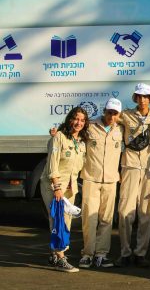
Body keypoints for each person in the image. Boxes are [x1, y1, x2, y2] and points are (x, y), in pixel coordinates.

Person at [115, 83, 150, 267]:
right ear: (135, 98)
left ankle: (141, 253)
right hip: (130, 167)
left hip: (149, 170)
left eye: (146, 97)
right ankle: (125, 252)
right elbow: (106, 119)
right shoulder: (125, 115)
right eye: (139, 96)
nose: (142, 100)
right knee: (125, 212)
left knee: (145, 214)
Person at [41, 106, 88, 272]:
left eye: (82, 120)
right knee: (58, 220)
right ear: (69, 119)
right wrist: (57, 188)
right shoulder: (59, 137)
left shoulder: (81, 141)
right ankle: (61, 258)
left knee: (66, 221)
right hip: (55, 187)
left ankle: (54, 255)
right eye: (76, 119)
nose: (79, 123)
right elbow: (52, 165)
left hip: (71, 188)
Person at [78, 98, 123, 268]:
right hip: (91, 178)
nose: (112, 116)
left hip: (111, 180)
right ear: (104, 111)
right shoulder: (89, 126)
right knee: (89, 218)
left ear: (119, 115)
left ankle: (101, 254)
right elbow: (73, 135)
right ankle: (87, 254)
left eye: (115, 113)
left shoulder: (121, 129)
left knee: (107, 219)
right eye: (109, 112)